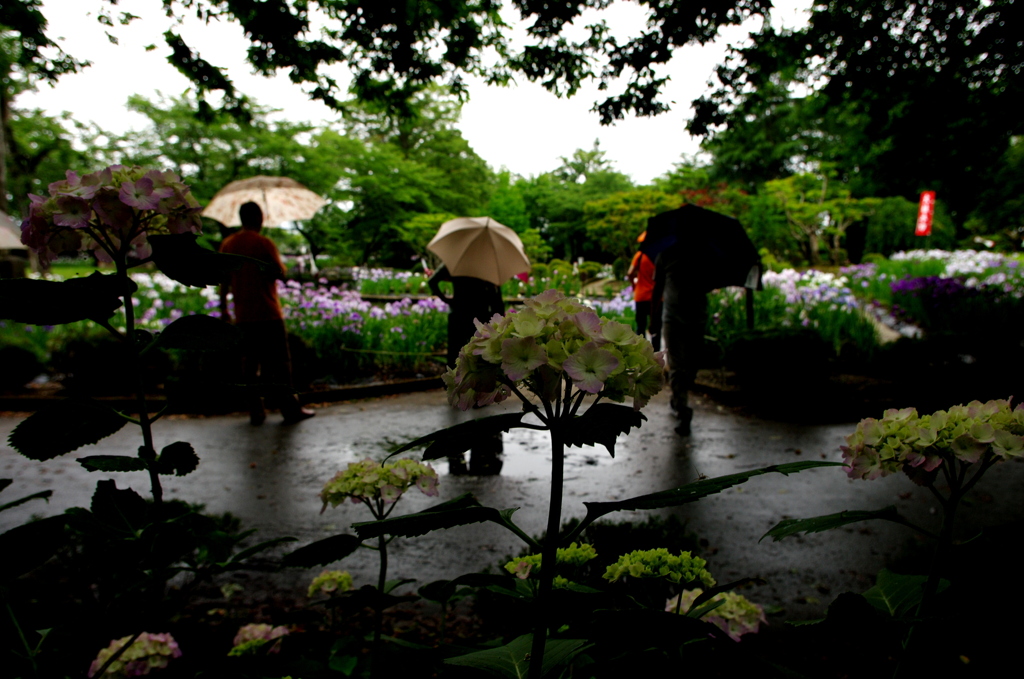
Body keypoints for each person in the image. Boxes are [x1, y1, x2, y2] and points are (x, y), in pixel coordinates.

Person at [219, 201, 315, 425]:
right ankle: (290, 409)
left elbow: (223, 279)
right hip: (268, 312)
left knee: (250, 366)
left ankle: (256, 411)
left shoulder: (228, 244)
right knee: (281, 365)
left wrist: (224, 308)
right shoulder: (264, 243)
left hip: (243, 314)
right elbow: (279, 274)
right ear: (259, 218)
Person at [428, 264, 505, 474]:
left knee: (457, 357)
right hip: (479, 317)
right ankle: (477, 394)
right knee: (479, 358)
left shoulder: (457, 263)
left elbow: (432, 281)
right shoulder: (487, 265)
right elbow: (497, 297)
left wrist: (447, 299)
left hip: (460, 314)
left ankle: (457, 390)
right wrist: (501, 320)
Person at [651, 241, 708, 436]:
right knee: (676, 366)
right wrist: (654, 318)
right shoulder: (665, 254)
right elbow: (657, 288)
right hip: (672, 318)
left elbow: (711, 282)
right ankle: (683, 410)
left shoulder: (704, 255)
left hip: (697, 318)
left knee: (691, 366)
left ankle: (678, 397)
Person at [626, 231, 659, 350]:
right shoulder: (659, 255)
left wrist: (635, 286)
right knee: (656, 327)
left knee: (641, 326)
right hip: (657, 296)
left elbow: (630, 273)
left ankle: (641, 351)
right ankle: (656, 352)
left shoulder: (640, 255)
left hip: (641, 295)